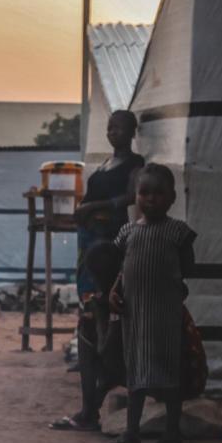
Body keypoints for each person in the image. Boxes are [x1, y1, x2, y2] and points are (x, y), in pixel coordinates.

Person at [111, 163, 196, 443]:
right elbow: (123, 270)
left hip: (164, 317)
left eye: (158, 193)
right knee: (135, 373)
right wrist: (115, 289)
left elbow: (188, 268)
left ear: (172, 197)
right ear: (135, 196)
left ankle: (172, 433)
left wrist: (175, 285)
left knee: (169, 373)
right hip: (134, 317)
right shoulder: (127, 233)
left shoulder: (178, 232)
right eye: (144, 192)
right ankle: (131, 431)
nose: (150, 199)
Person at [53, 239, 123, 432]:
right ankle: (90, 410)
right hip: (165, 369)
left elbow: (106, 350)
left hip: (128, 368)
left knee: (86, 333)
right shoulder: (133, 291)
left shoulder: (108, 303)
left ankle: (88, 412)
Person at [75, 110, 145, 304]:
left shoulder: (135, 162)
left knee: (104, 281)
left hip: (109, 231)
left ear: (132, 132)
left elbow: (131, 196)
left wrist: (92, 207)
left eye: (118, 128)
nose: (112, 132)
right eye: (109, 128)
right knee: (87, 283)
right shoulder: (106, 162)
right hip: (89, 231)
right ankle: (90, 322)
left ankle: (104, 324)